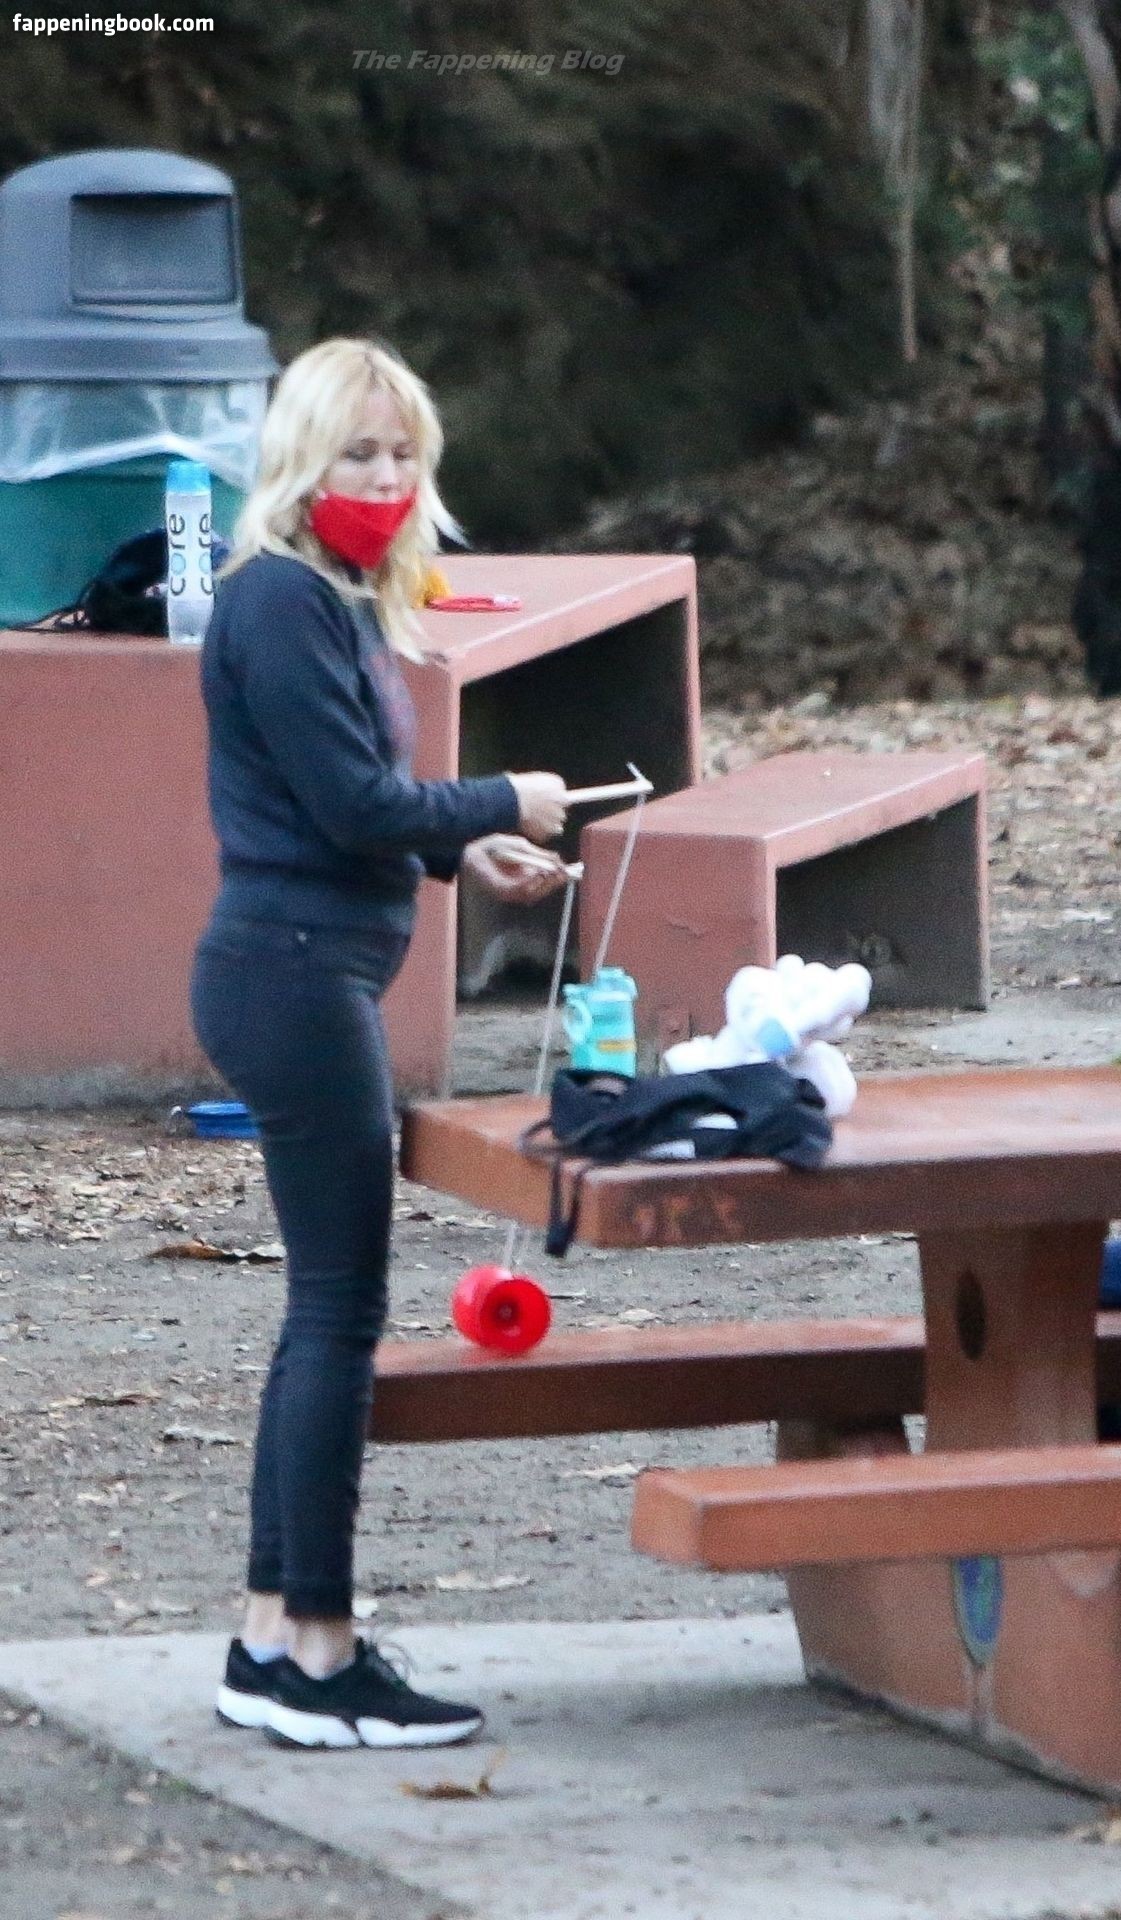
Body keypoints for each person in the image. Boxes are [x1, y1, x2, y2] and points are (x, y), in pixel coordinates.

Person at [189, 336, 569, 1751]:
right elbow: (351, 805)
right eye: (357, 451)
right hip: (287, 975)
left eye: (404, 452)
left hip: (311, 966)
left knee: (323, 1313)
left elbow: (354, 807)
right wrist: (503, 798)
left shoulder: (339, 598)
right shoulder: (279, 598)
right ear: (301, 461)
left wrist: (465, 852)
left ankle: (266, 1638)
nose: (386, 476)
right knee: (340, 1314)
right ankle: (323, 1654)